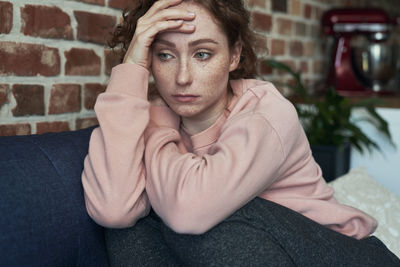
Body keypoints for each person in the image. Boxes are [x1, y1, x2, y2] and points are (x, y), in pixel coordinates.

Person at [81, 0, 400, 265]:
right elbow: (114, 208)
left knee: (214, 217)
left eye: (202, 54)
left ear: (234, 55)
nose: (182, 76)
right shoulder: (152, 117)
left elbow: (189, 211)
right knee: (129, 227)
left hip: (336, 255)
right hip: (249, 252)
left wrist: (155, 131)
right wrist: (132, 69)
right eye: (164, 55)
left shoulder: (267, 112)